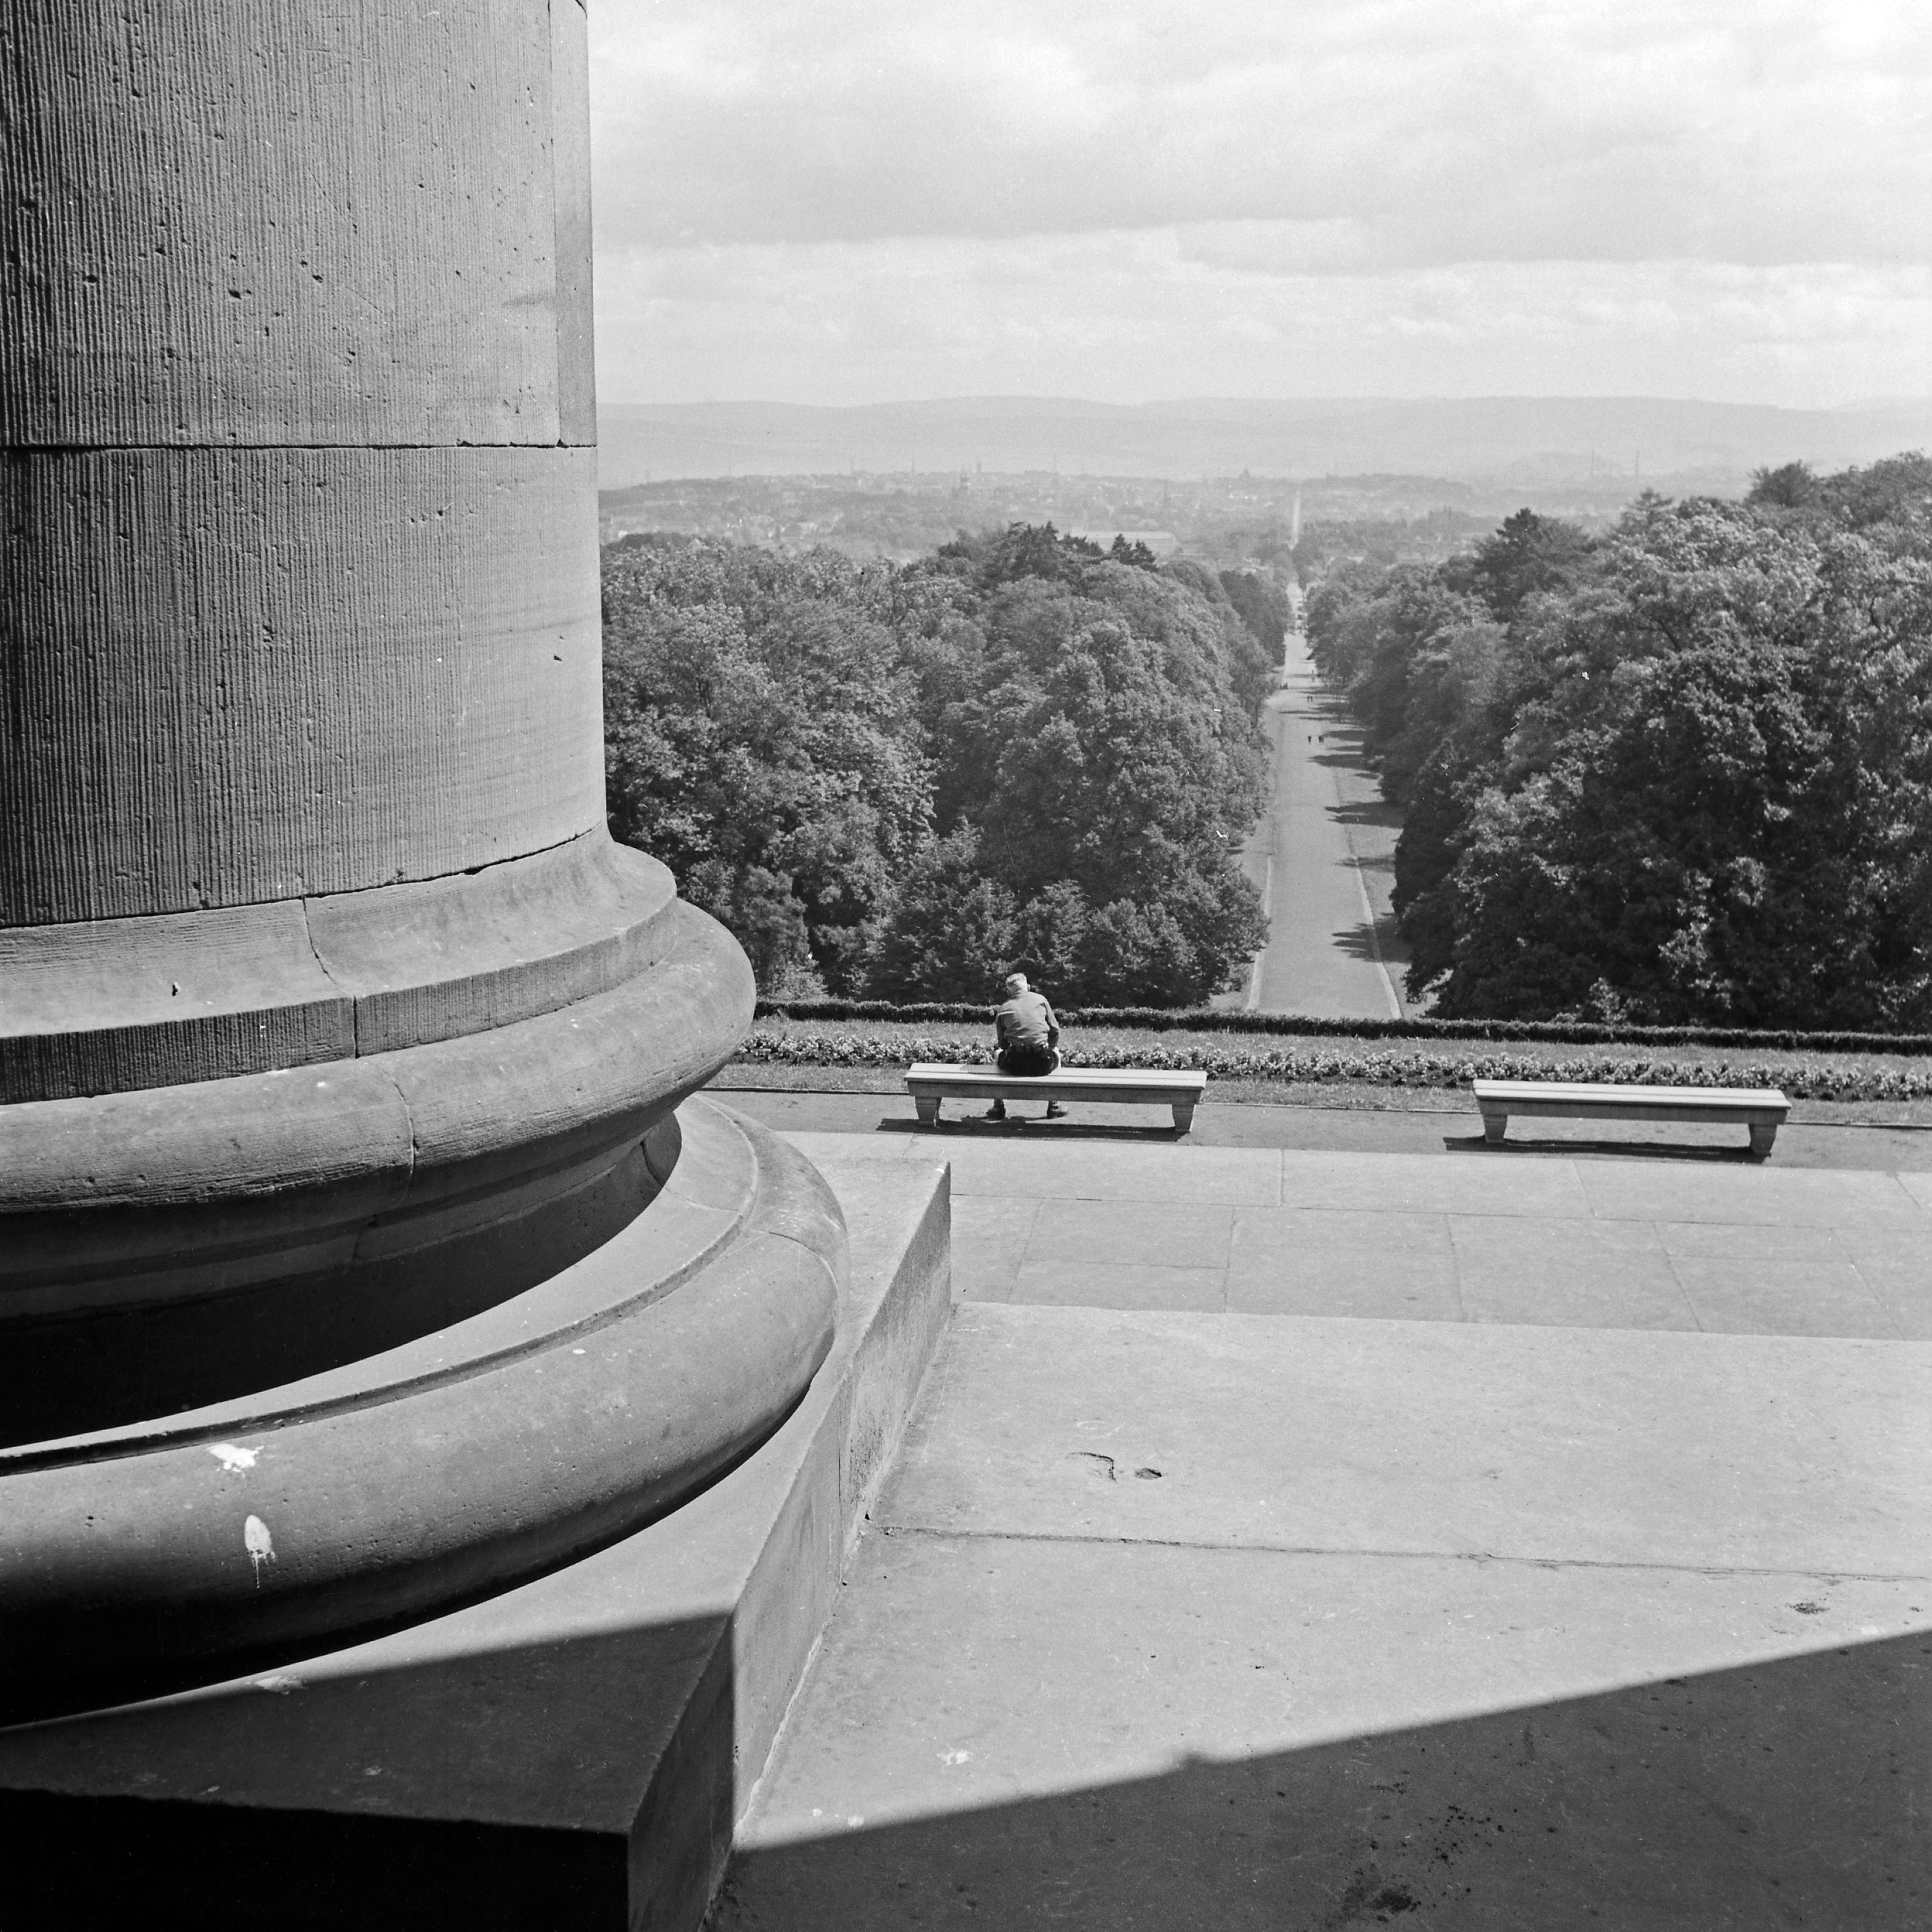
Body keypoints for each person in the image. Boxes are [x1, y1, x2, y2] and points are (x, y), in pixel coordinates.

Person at [985, 972, 1067, 1121]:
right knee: (1056, 1052)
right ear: (1028, 987)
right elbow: (1055, 1031)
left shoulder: (1004, 1008)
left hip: (1015, 1065)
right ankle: (1055, 1105)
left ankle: (998, 1106)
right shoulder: (1041, 1000)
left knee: (998, 1055)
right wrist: (1050, 1046)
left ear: (1009, 992)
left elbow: (1002, 1044)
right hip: (1042, 1063)